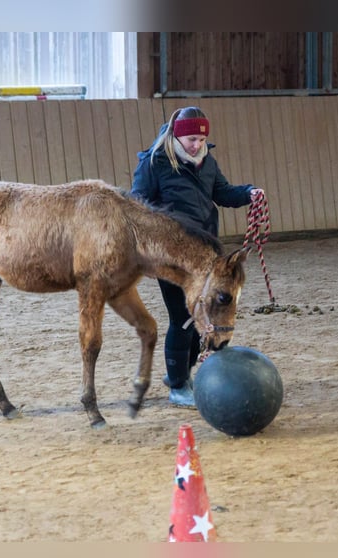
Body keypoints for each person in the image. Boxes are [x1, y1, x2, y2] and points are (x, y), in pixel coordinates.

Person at [130, 106, 264, 408]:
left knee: (200, 318)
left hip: (205, 256)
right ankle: (178, 386)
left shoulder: (207, 162)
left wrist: (249, 193)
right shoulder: (155, 163)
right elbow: (137, 205)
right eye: (191, 139)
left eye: (201, 139)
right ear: (177, 135)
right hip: (171, 256)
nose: (196, 145)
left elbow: (222, 192)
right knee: (183, 319)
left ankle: (178, 371)